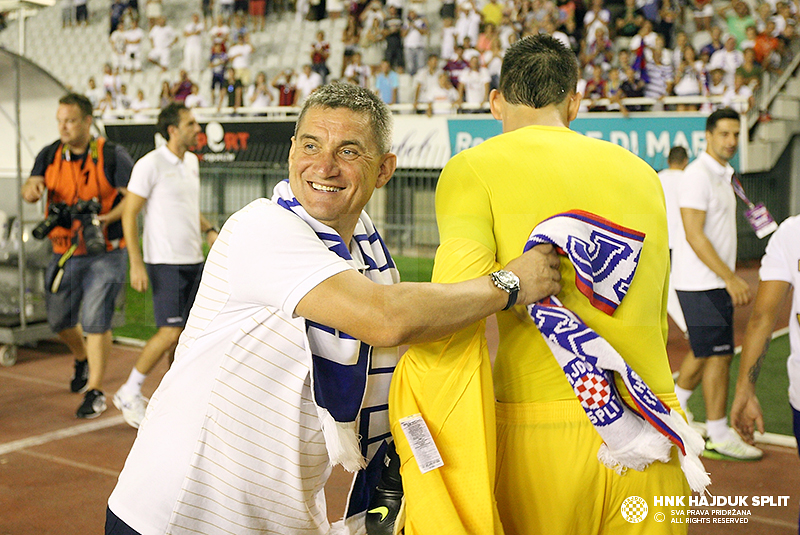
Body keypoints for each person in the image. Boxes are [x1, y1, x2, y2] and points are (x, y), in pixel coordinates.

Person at [105, 83, 561, 535]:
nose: (323, 165)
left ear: (383, 170)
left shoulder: (369, 259)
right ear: (290, 152)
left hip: (275, 519)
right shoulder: (262, 228)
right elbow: (388, 318)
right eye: (310, 145)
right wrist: (511, 283)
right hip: (174, 516)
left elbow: (403, 347)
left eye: (348, 151)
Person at [388, 34, 692, 534]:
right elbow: (655, 316)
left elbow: (450, 315)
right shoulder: (644, 174)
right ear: (574, 102)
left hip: (541, 431)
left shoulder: (472, 167)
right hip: (653, 424)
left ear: (494, 101)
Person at [21, 93, 133, 419]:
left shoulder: (112, 155)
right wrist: (32, 191)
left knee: (97, 320)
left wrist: (108, 219)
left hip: (105, 252)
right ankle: (82, 358)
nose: (63, 127)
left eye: (70, 121)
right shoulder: (49, 154)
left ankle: (95, 390)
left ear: (87, 120)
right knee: (58, 320)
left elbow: (133, 198)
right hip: (63, 251)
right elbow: (31, 187)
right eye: (60, 121)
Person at [114, 103, 218, 429]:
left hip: (193, 259)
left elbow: (187, 208)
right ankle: (129, 391)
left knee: (186, 336)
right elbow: (129, 213)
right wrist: (136, 263)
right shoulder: (150, 164)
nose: (197, 128)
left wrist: (209, 229)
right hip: (164, 262)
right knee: (170, 330)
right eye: (191, 123)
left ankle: (176, 397)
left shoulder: (191, 162)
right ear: (172, 129)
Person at [672, 107, 763, 460]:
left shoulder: (725, 175)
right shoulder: (697, 176)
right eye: (724, 134)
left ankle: (677, 413)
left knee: (710, 352)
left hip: (709, 283)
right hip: (702, 283)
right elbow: (694, 235)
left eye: (736, 134)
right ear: (707, 136)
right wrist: (729, 278)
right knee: (717, 354)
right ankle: (717, 433)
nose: (731, 141)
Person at [731, 214, 799, 459]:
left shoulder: (791, 232)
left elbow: (762, 319)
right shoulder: (790, 233)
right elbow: (762, 319)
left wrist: (745, 390)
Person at [659, 146, 690, 333]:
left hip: (663, 240)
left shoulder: (657, 178)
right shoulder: (690, 179)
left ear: (668, 160)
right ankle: (690, 323)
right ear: (685, 161)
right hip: (687, 241)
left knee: (667, 285)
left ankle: (687, 323)